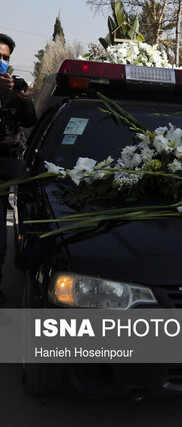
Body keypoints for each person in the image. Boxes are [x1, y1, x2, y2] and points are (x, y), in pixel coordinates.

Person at [0, 33, 37, 304]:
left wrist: (24, 100)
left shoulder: (13, 89)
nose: (2, 63)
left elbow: (29, 121)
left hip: (3, 176)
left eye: (5, 58)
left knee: (0, 245)